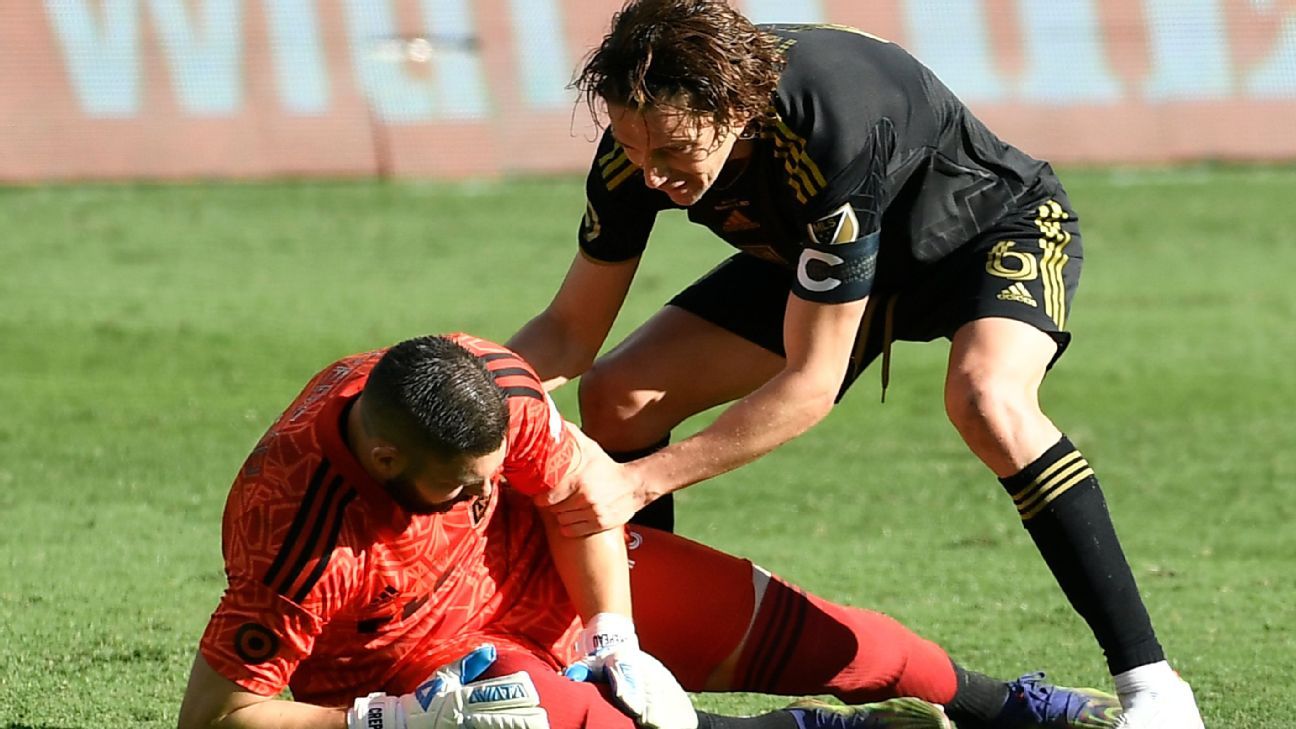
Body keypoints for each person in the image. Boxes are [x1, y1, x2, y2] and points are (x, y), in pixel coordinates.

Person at [504, 3, 1203, 728]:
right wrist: (474, 390)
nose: (650, 176)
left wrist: (635, 482)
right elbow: (566, 332)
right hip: (823, 260)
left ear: (736, 109)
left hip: (981, 236)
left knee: (989, 401)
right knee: (620, 394)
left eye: (674, 153)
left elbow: (810, 382)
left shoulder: (830, 123)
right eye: (632, 147)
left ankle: (1154, 688)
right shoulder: (643, 143)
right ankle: (644, 666)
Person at [177, 333, 1122, 729]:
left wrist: (614, 639)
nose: (480, 492)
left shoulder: (488, 390)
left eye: (490, 478)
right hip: (433, 672)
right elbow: (217, 716)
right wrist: (382, 723)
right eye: (465, 486)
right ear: (386, 463)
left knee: (831, 634)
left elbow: (580, 496)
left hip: (542, 567)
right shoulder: (296, 535)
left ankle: (1012, 707)